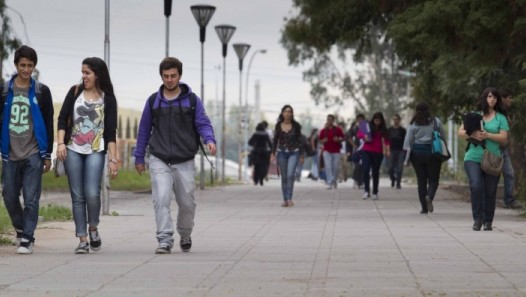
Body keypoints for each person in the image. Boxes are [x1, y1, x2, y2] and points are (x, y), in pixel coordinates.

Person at [134, 57, 216, 254]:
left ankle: (185, 232)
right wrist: (139, 157)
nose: (169, 80)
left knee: (187, 202)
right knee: (161, 198)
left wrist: (209, 139)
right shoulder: (153, 101)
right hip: (159, 157)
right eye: (165, 76)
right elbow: (144, 130)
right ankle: (164, 239)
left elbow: (203, 124)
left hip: (184, 159)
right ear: (161, 77)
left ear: (180, 75)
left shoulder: (192, 100)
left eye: (173, 76)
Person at [56, 57, 118, 254]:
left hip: (95, 150)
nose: (83, 77)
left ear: (97, 74)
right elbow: (61, 119)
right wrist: (60, 144)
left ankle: (93, 227)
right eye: (82, 72)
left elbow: (110, 131)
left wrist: (113, 159)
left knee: (92, 193)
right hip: (73, 149)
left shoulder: (107, 98)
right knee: (77, 196)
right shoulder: (75, 92)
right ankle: (82, 239)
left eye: (87, 73)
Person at [0, 45, 54, 254]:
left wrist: (47, 154)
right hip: (10, 152)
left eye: (30, 66)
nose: (26, 69)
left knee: (31, 197)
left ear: (34, 67)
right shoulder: (4, 90)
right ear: (16, 65)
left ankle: (27, 238)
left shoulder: (42, 91)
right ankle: (21, 228)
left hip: (33, 152)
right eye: (22, 65)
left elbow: (48, 123)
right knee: (9, 196)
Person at [458, 88, 509, 231]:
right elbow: (460, 132)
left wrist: (488, 135)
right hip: (473, 157)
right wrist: (473, 134)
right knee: (476, 185)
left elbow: (504, 138)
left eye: (494, 97)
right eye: (489, 97)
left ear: (497, 100)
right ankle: (477, 219)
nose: (492, 99)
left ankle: (488, 221)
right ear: (484, 99)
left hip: (493, 159)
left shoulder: (501, 118)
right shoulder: (474, 115)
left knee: (490, 191)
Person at [402, 103, 444, 214]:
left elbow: (408, 142)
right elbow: (442, 137)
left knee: (421, 180)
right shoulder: (436, 121)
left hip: (417, 154)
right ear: (428, 110)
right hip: (433, 154)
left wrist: (406, 159)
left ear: (416, 111)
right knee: (433, 180)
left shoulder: (413, 124)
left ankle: (424, 208)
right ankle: (429, 196)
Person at [271, 105, 304, 207]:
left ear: (292, 113)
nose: (287, 113)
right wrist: (272, 153)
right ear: (282, 113)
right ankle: (285, 199)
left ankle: (289, 198)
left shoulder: (296, 126)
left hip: (294, 152)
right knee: (284, 177)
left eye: (289, 111)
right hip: (281, 153)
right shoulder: (278, 125)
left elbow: (300, 141)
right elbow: (275, 140)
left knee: (290, 175)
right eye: (285, 111)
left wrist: (302, 155)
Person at [358, 112, 390, 200]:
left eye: (379, 121)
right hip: (366, 151)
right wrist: (364, 136)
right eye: (376, 120)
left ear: (381, 121)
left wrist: (387, 150)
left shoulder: (383, 129)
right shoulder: (367, 126)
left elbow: (387, 140)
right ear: (373, 119)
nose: (377, 122)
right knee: (365, 170)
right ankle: (366, 191)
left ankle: (375, 192)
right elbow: (359, 134)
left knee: (375, 172)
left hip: (378, 153)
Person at [499, 89, 521, 209]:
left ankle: (509, 200)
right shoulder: (496, 112)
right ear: (503, 98)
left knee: (509, 173)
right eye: (509, 97)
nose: (511, 100)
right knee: (490, 175)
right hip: (494, 147)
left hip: (503, 148)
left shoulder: (504, 112)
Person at [319, 114, 344, 189]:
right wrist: (323, 141)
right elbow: (320, 140)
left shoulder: (338, 129)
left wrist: (338, 139)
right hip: (326, 151)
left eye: (331, 119)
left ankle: (334, 180)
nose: (329, 121)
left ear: (333, 121)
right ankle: (329, 182)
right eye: (328, 119)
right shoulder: (323, 130)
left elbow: (343, 137)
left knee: (335, 167)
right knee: (328, 166)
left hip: (336, 151)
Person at [388, 114, 407, 189]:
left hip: (400, 151)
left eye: (396, 119)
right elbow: (386, 141)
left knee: (399, 168)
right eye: (394, 119)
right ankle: (393, 179)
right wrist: (386, 150)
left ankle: (398, 183)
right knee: (390, 168)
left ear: (399, 120)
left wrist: (406, 151)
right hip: (391, 150)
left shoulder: (403, 130)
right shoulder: (389, 130)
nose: (395, 121)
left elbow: (406, 141)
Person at [350, 114, 366, 189]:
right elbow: (348, 136)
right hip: (357, 149)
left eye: (361, 119)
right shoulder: (354, 128)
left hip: (365, 148)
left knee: (363, 166)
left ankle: (361, 182)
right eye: (358, 119)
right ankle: (355, 181)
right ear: (356, 120)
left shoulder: (366, 128)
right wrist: (353, 145)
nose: (360, 121)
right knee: (357, 165)